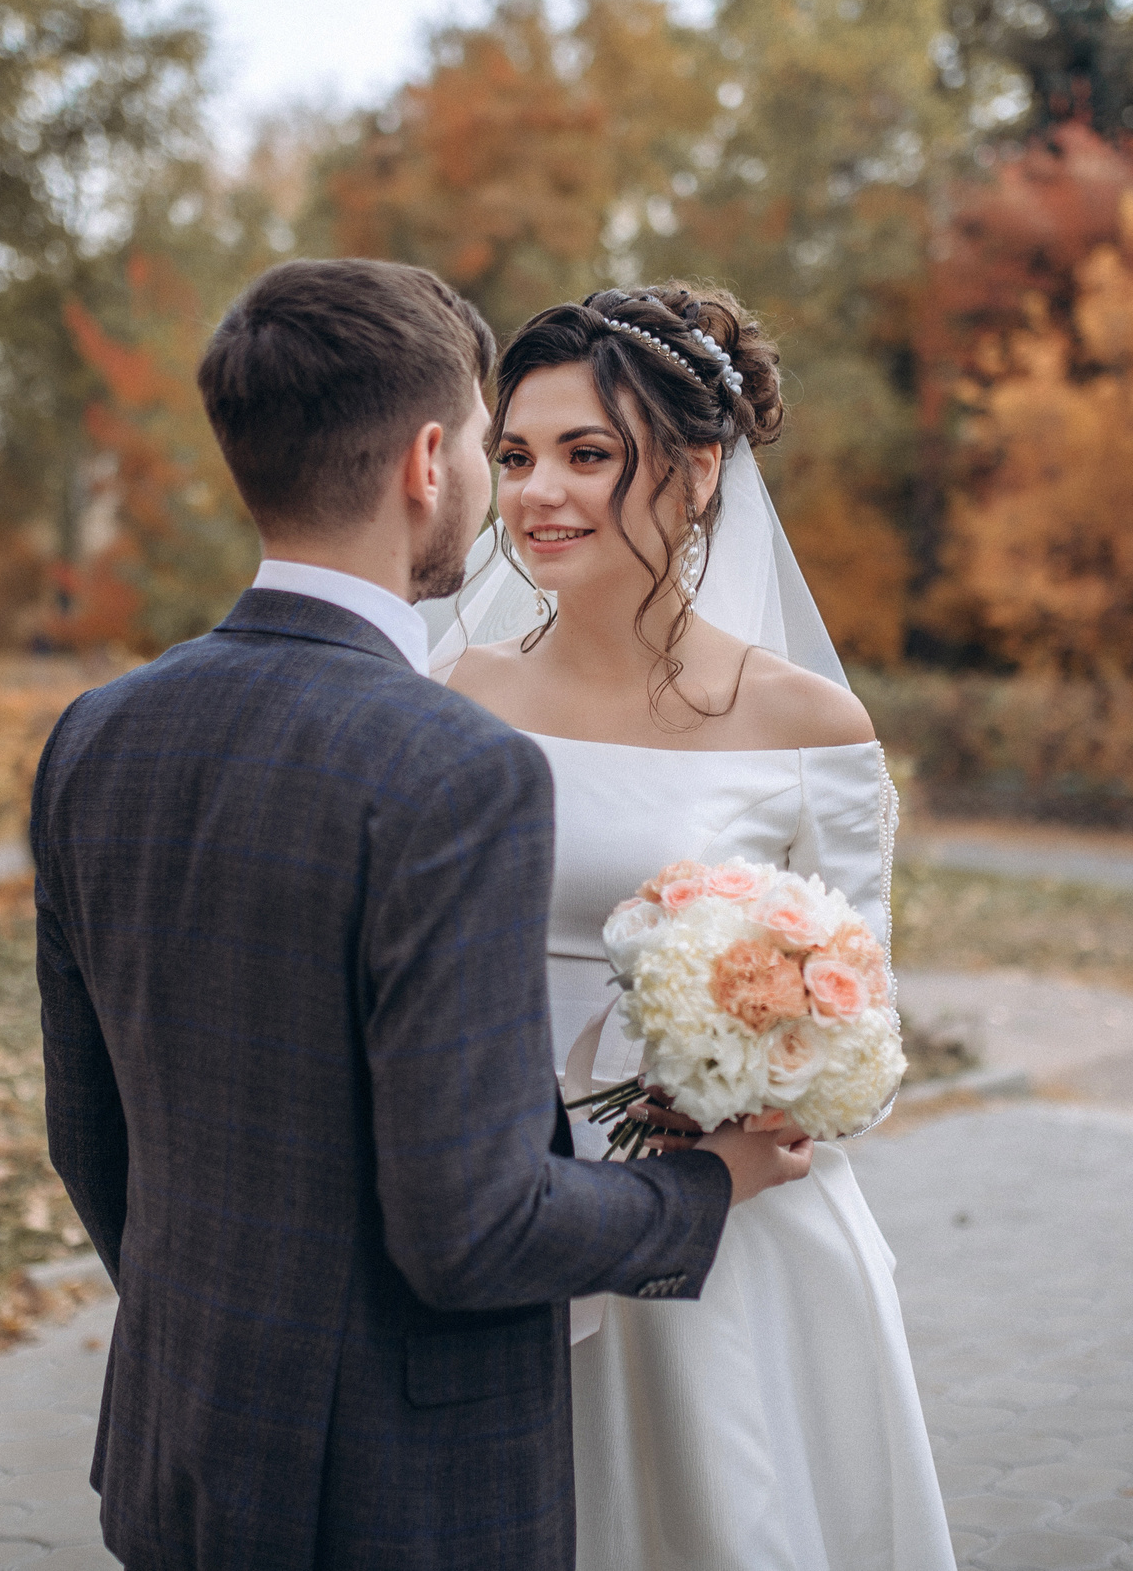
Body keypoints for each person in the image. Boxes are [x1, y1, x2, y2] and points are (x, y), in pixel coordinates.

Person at [31, 259, 815, 1571]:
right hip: (406, 1494)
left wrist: (223, 1329)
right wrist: (705, 1185)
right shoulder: (456, 769)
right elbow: (475, 1228)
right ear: (430, 459)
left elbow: (87, 1135)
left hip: (185, 1443)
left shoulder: (97, 734)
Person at [433, 284, 957, 1571]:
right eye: (514, 455)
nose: (536, 492)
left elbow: (858, 1032)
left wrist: (740, 1102)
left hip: (725, 1235)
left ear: (700, 468)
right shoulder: (456, 696)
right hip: (509, 1205)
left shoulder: (806, 725)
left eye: (587, 453)